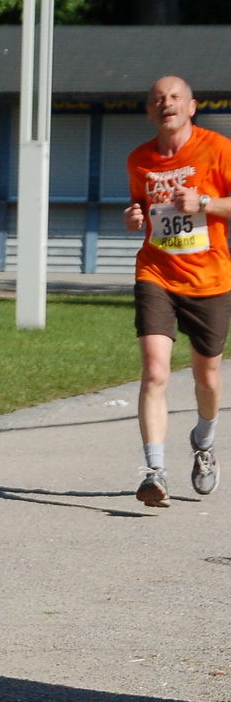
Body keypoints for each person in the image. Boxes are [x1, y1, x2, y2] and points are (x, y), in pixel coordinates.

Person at [125, 75, 231, 507]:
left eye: (174, 97)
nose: (166, 104)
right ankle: (155, 471)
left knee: (206, 377)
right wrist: (134, 217)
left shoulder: (218, 149)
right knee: (155, 371)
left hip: (209, 279)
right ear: (150, 112)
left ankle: (203, 442)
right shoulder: (138, 160)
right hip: (157, 273)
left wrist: (204, 204)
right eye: (157, 100)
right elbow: (142, 210)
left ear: (191, 107)